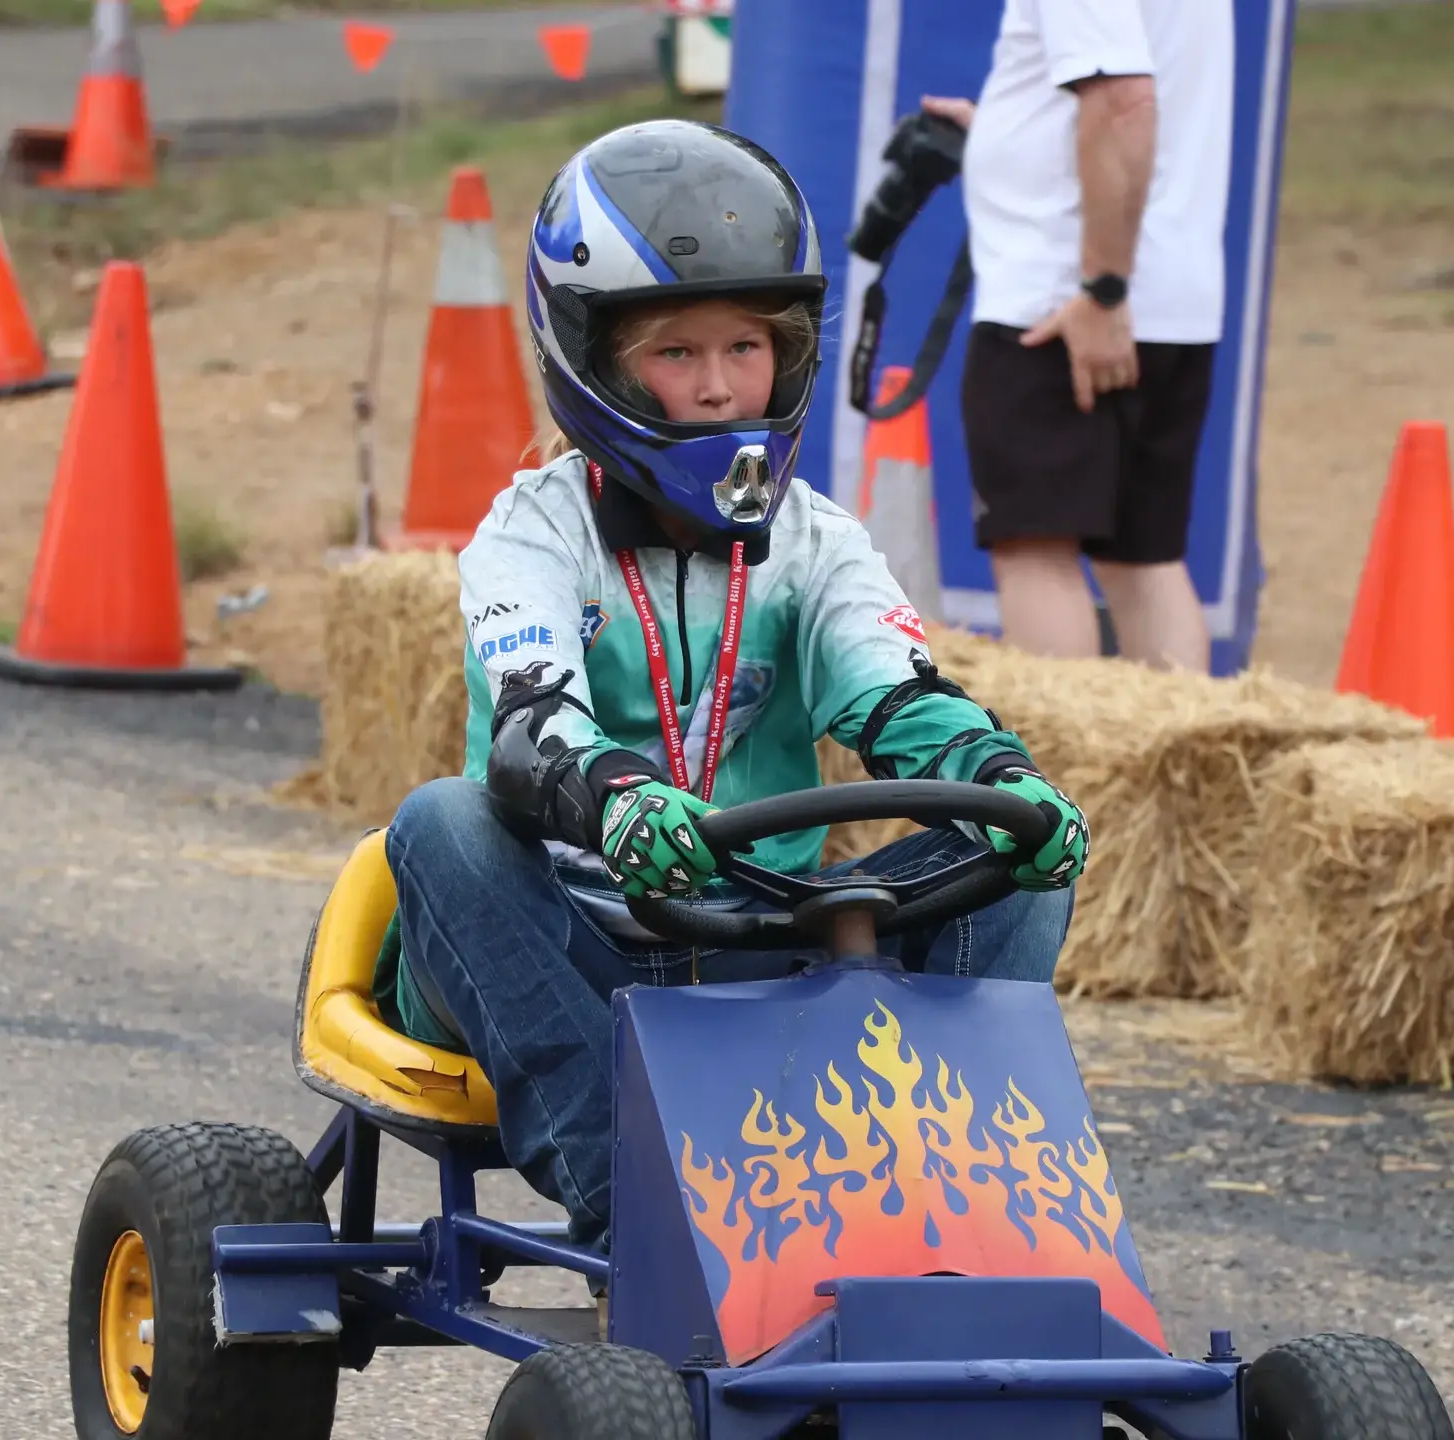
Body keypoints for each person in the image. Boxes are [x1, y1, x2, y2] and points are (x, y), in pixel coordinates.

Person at [377, 119, 1092, 1250]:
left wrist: (996, 772)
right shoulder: (530, 535)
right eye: (676, 354)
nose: (718, 389)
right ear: (596, 360)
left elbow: (892, 688)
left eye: (744, 350)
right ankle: (643, 1218)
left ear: (789, 356)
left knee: (1016, 850)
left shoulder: (815, 542)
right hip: (574, 934)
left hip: (770, 929)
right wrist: (615, 800)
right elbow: (532, 720)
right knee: (441, 824)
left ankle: (960, 1209)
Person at [924, 0, 1234, 672]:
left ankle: (1062, 776)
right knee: (1143, 558)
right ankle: (1179, 775)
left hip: (1064, 300)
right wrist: (1004, 134)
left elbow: (1123, 100)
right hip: (1168, 292)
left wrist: (1102, 289)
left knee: (1036, 554)